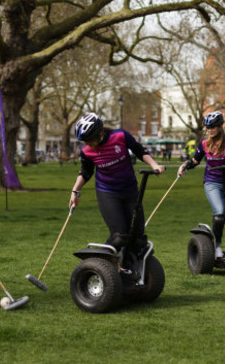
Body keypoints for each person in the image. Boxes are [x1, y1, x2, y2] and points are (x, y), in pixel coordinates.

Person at [69, 113, 165, 270]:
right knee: (120, 236)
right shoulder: (87, 151)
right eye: (84, 141)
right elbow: (86, 172)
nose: (87, 144)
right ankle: (100, 264)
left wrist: (155, 165)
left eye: (89, 139)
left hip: (130, 190)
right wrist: (75, 191)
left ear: (99, 133)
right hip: (107, 193)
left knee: (138, 239)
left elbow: (139, 150)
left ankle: (128, 268)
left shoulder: (120, 136)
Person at [177, 111, 225, 259]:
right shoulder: (204, 143)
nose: (210, 130)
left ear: (220, 126)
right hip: (212, 182)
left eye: (213, 127)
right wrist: (185, 166)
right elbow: (195, 160)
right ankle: (216, 247)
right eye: (207, 127)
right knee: (220, 215)